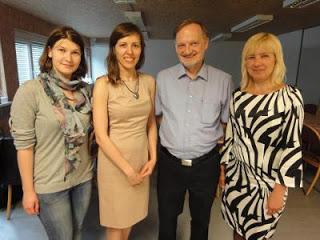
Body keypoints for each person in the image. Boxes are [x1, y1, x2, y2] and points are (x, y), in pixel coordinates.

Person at [10, 26, 94, 240]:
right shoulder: (30, 91)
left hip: (83, 177)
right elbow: (24, 147)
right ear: (49, 51)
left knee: (78, 233)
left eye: (75, 52)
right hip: (50, 185)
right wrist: (28, 191)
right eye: (61, 50)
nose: (68, 57)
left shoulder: (85, 91)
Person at [219, 32, 304, 240]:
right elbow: (231, 135)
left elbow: (292, 145)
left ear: (276, 59)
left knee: (259, 234)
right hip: (236, 180)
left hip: (268, 185)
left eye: (265, 56)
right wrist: (223, 169)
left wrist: (279, 190)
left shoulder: (290, 98)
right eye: (251, 57)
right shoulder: (239, 96)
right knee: (238, 231)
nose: (257, 62)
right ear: (245, 61)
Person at [156, 19, 233, 240]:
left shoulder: (223, 80)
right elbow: (158, 117)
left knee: (201, 220)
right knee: (167, 219)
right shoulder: (163, 78)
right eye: (181, 45)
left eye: (194, 43)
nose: (187, 50)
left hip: (206, 165)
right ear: (175, 47)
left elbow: (227, 123)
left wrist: (222, 164)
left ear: (206, 43)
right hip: (170, 164)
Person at [92, 22, 157, 240]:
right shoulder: (103, 84)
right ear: (113, 49)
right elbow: (100, 136)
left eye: (135, 45)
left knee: (130, 217)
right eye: (123, 45)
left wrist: (153, 157)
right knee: (115, 222)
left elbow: (151, 123)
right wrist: (128, 170)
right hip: (114, 164)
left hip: (140, 158)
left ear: (141, 49)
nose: (129, 52)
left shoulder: (149, 81)